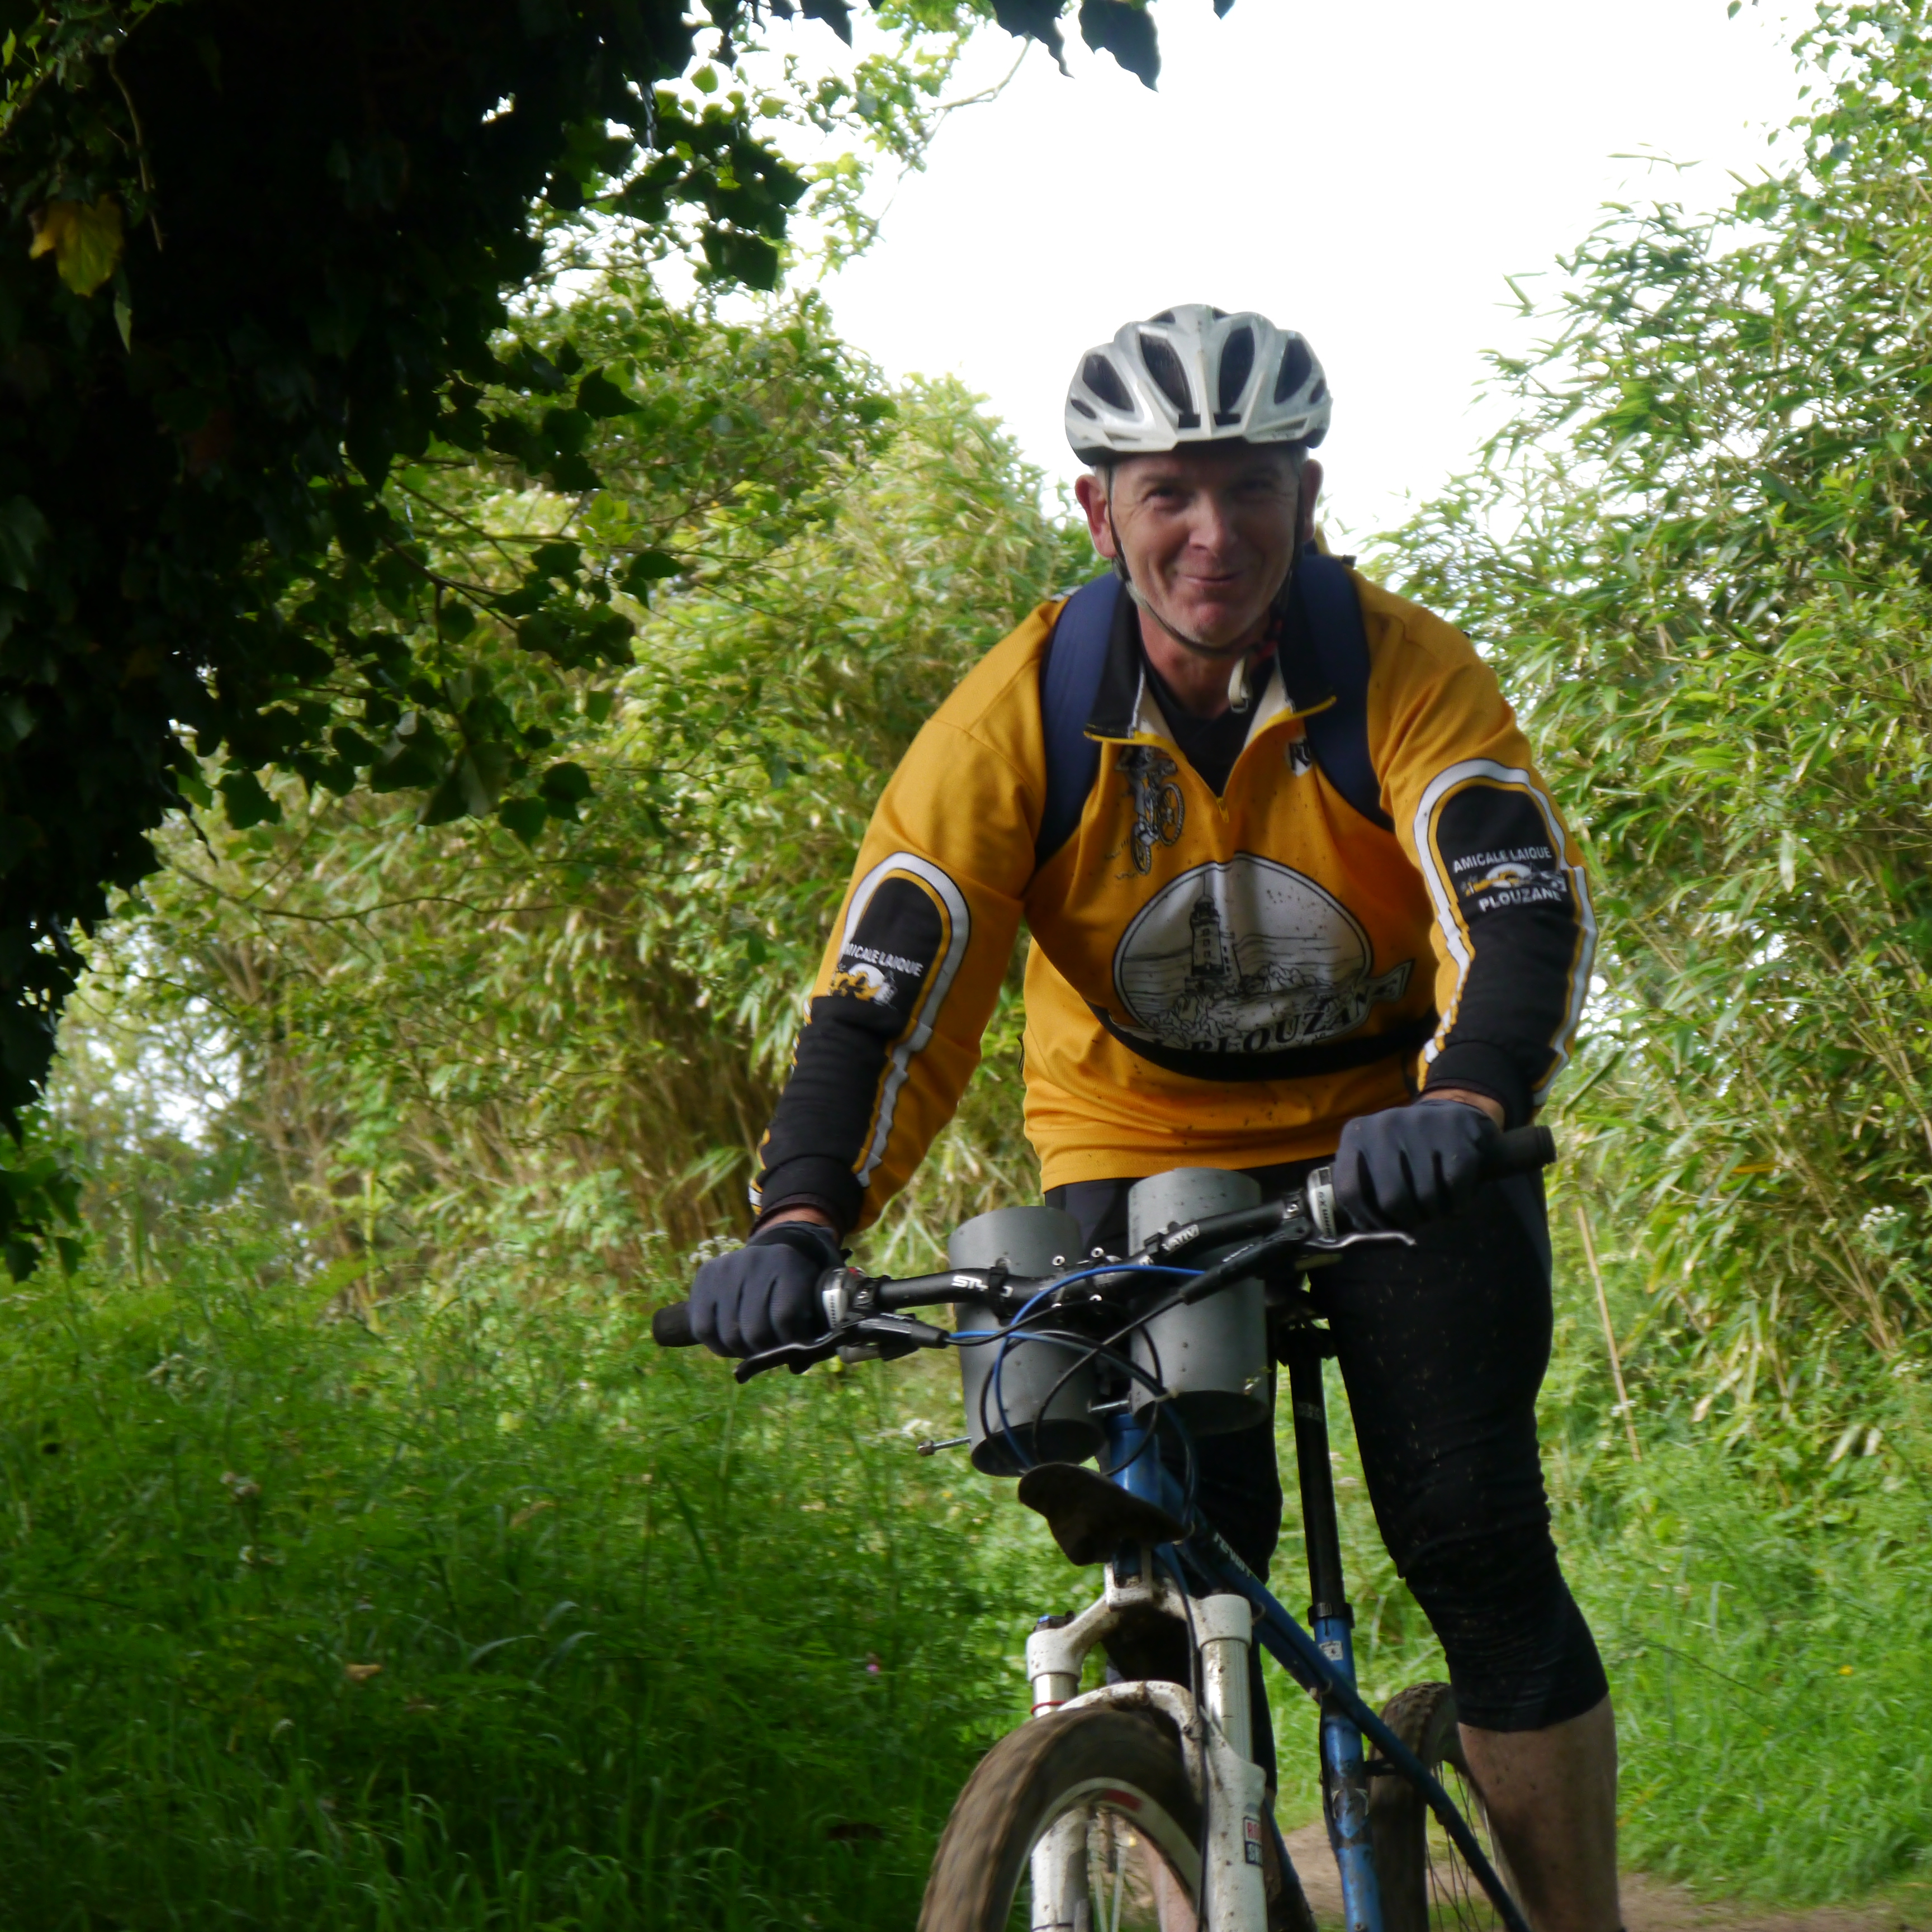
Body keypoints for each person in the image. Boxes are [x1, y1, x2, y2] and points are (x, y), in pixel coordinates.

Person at [690, 305, 1617, 1932]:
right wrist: (800, 1218)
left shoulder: (1400, 670)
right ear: (1098, 508)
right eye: (1170, 492)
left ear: (1307, 496)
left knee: (1474, 1541)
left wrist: (1466, 1094)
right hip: (1138, 1150)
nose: (1214, 532)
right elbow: (891, 992)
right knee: (1182, 1567)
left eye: (1252, 487)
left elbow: (1515, 906)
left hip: (1399, 1144)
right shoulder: (1022, 712)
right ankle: (1207, 1864)